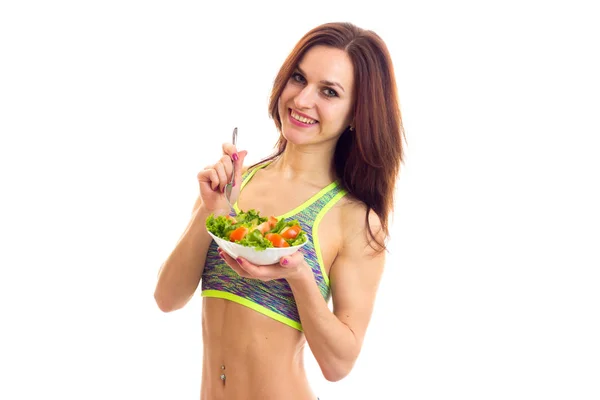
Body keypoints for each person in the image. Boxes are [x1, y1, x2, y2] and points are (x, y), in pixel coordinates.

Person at [154, 21, 405, 400]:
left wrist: (299, 275)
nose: (303, 100)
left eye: (329, 92)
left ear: (357, 112)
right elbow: (166, 298)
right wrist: (213, 210)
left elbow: (338, 365)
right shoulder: (237, 183)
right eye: (299, 78)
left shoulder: (352, 217)